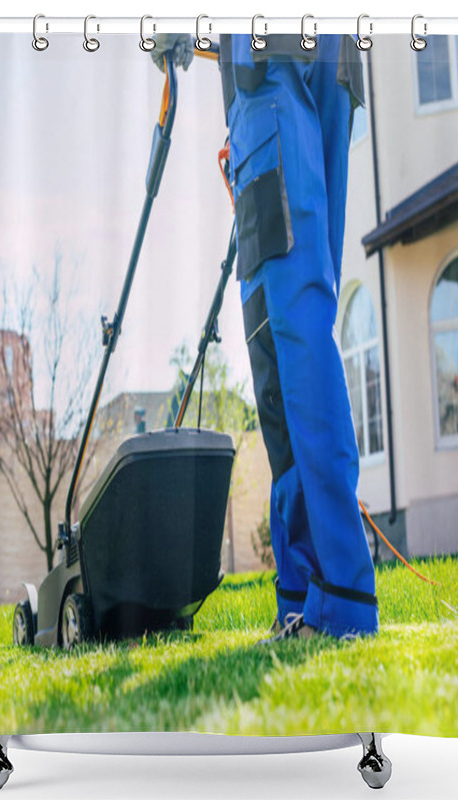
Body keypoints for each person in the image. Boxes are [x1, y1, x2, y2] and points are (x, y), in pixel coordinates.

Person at [151, 32, 378, 641]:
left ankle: (337, 594)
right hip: (325, 63)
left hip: (269, 74)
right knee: (299, 323)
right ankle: (310, 594)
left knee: (287, 340)